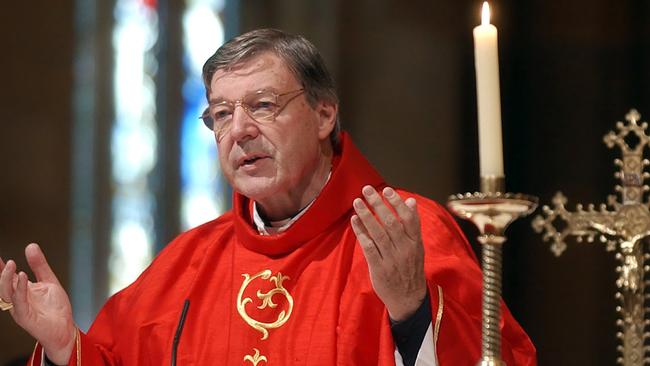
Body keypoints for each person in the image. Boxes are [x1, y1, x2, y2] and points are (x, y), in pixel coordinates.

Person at [0, 28, 535, 365]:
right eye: (222, 115)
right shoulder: (189, 262)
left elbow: (496, 357)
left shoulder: (404, 229)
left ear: (325, 113)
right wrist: (64, 348)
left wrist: (412, 310)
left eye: (262, 105)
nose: (240, 131)